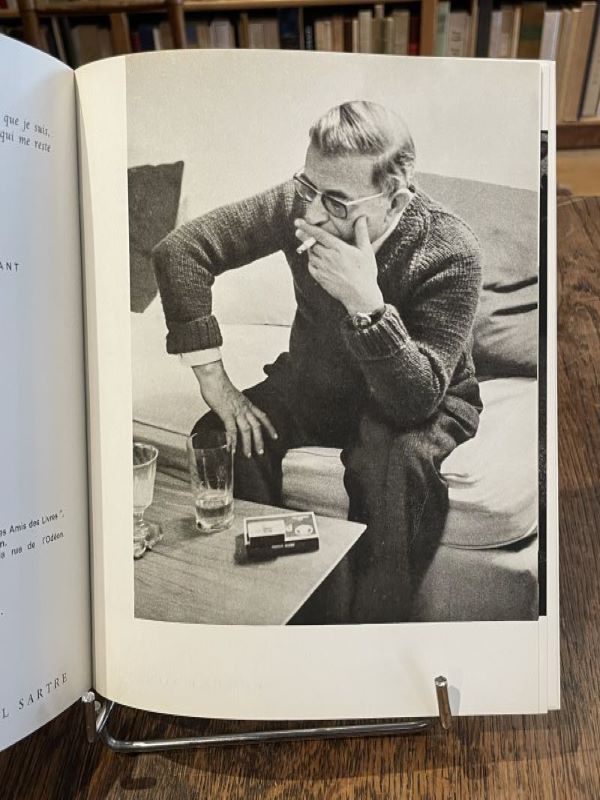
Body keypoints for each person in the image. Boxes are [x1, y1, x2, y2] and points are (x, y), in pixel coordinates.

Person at [152, 100, 483, 623]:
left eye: (336, 202)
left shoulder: (452, 249)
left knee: (393, 469)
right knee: (223, 436)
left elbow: (415, 400)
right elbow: (181, 251)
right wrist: (215, 382)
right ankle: (278, 607)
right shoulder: (303, 201)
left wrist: (366, 305)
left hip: (419, 398)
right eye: (308, 187)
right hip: (316, 381)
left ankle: (369, 635)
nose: (312, 214)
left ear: (395, 200)